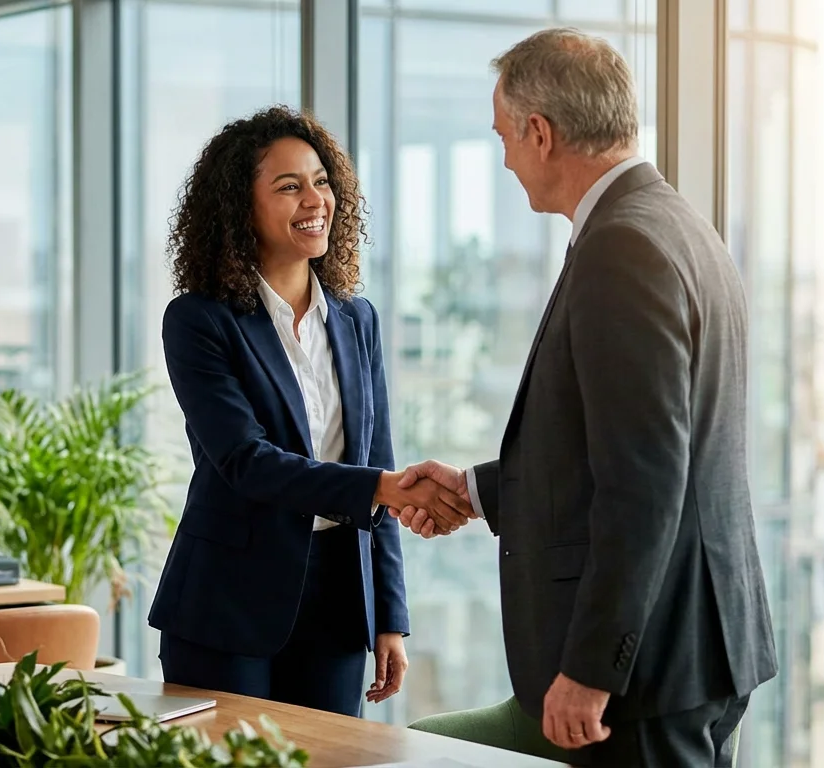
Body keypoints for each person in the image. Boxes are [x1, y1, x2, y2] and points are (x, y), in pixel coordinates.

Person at [390, 28, 778, 767]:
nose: (503, 157)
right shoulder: (679, 224)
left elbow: (645, 481)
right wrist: (473, 491)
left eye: (504, 136)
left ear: (541, 133)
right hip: (700, 644)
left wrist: (594, 669)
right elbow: (628, 450)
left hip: (648, 671)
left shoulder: (621, 247)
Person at [147, 105, 474, 718]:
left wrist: (390, 617)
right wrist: (384, 488)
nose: (315, 199)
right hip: (228, 605)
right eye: (289, 186)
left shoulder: (357, 318)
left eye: (322, 181)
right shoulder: (199, 320)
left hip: (339, 602)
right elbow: (247, 462)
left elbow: (379, 459)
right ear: (240, 208)